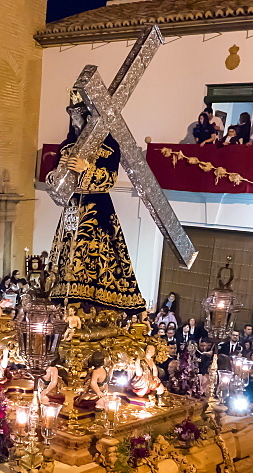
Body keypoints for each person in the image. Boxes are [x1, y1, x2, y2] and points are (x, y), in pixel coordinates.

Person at [49, 94, 147, 312]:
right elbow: (55, 186)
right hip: (73, 210)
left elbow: (109, 179)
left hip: (98, 210)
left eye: (78, 119)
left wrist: (86, 169)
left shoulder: (109, 147)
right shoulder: (66, 147)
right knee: (68, 254)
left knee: (99, 254)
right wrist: (60, 172)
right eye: (72, 120)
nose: (75, 125)